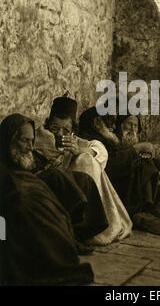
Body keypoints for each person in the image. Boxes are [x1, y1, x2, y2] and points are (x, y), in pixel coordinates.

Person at [0, 114, 94, 286]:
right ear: (9, 140)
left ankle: (72, 236)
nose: (29, 147)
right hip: (11, 219)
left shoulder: (25, 157)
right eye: (23, 140)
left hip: (31, 182)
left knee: (61, 182)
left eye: (31, 140)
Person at [34, 97, 132, 245]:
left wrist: (79, 150)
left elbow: (100, 151)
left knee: (86, 159)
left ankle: (90, 224)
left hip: (76, 190)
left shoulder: (77, 142)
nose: (60, 133)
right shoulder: (39, 137)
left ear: (73, 130)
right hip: (50, 189)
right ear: (48, 125)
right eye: (55, 128)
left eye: (65, 129)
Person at [79, 107, 160, 234]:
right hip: (125, 186)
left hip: (142, 183)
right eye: (129, 124)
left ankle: (148, 216)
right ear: (96, 122)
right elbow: (111, 164)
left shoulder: (110, 138)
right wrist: (136, 150)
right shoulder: (93, 142)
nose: (132, 129)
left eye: (135, 126)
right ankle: (143, 216)